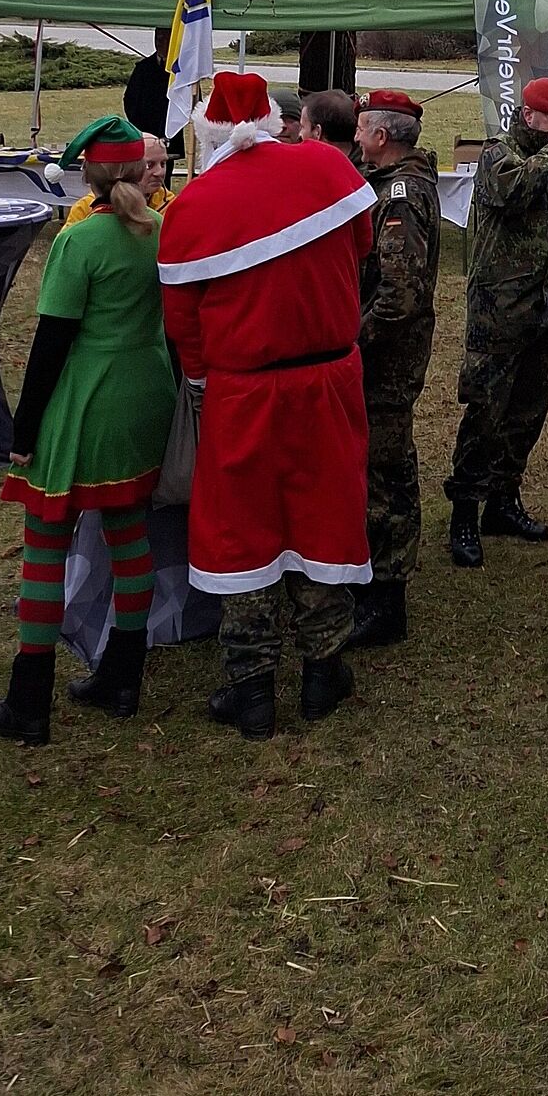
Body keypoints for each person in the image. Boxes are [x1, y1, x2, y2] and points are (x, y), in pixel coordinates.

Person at [158, 72, 379, 738]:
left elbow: (183, 320)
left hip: (241, 389)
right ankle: (321, 669)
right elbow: (361, 246)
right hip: (327, 381)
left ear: (210, 129)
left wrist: (200, 380)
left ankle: (251, 685)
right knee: (323, 514)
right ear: (277, 119)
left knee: (242, 528)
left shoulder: (195, 206)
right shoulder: (326, 169)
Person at [0, 118, 178, 744]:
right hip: (146, 392)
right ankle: (123, 677)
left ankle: (28, 698)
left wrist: (24, 425)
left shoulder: (81, 241)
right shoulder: (161, 231)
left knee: (45, 538)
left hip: (88, 394)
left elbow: (51, 342)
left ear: (88, 174)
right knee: (128, 530)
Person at [444, 77, 548, 566]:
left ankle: (503, 501)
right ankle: (465, 510)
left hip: (545, 309)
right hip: (498, 310)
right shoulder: (498, 155)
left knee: (528, 412)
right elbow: (513, 193)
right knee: (485, 411)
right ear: (528, 117)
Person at [348, 89, 441, 648]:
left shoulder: (400, 197)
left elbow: (399, 295)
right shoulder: (391, 185)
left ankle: (385, 601)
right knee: (384, 471)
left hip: (385, 358)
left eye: (362, 130)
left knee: (383, 477)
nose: (356, 138)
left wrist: (350, 341)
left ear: (381, 136)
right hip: (385, 354)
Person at [62, 133, 173, 228]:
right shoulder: (85, 208)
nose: (160, 172)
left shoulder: (172, 205)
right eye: (149, 165)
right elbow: (66, 247)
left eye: (163, 164)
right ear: (129, 167)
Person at [123, 28, 183, 161]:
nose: (160, 43)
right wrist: (138, 127)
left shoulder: (182, 69)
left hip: (170, 131)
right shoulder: (143, 68)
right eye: (158, 38)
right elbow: (130, 100)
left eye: (165, 39)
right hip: (145, 129)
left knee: (165, 171)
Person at [301, 89, 362, 165]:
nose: (300, 134)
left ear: (317, 132)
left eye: (302, 127)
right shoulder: (365, 166)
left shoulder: (334, 173)